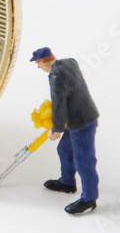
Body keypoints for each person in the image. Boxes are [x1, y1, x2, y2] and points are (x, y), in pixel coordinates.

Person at [31, 47, 100, 215]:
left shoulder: (55, 76)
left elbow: (58, 103)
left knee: (84, 160)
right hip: (76, 117)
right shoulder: (70, 62)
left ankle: (89, 199)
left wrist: (56, 129)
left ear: (44, 61)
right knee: (64, 149)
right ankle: (67, 182)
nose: (38, 67)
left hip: (81, 122)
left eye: (38, 63)